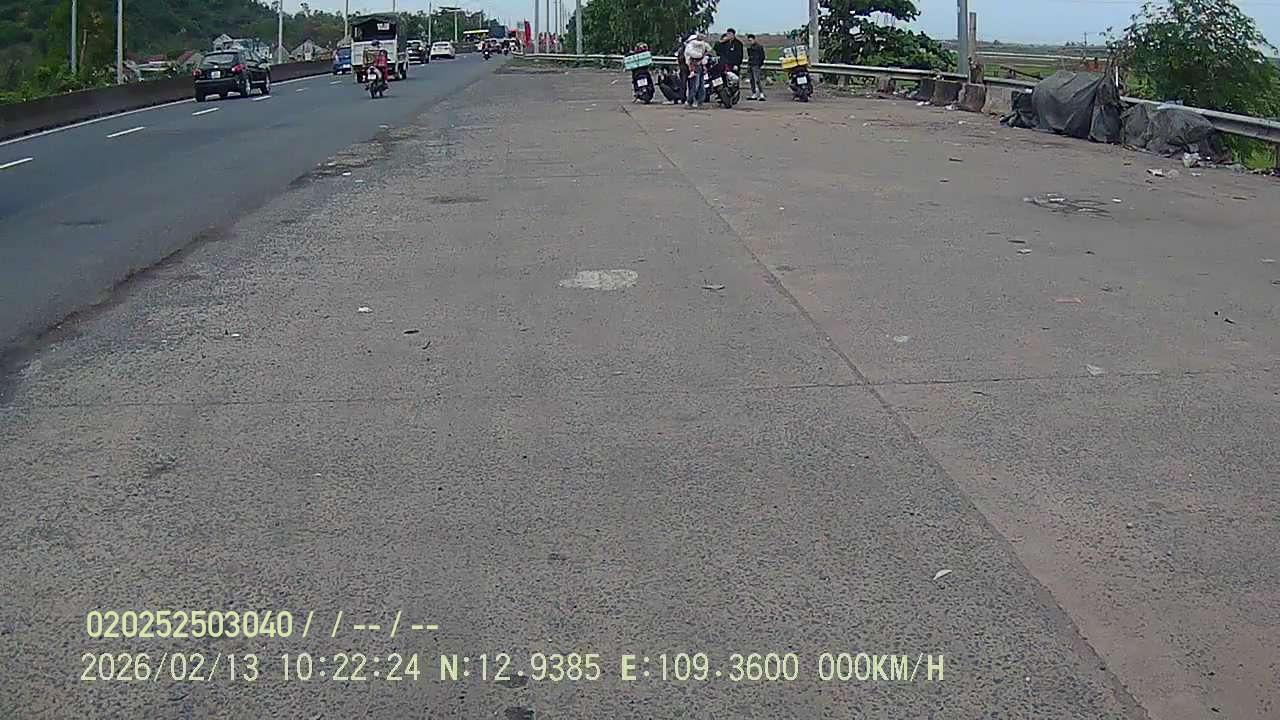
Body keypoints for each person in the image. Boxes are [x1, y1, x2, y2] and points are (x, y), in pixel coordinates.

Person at [683, 33, 713, 108]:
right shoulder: (690, 46)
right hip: (694, 66)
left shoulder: (703, 45)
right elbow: (692, 54)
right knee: (695, 85)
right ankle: (690, 101)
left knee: (701, 85)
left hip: (701, 66)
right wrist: (701, 55)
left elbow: (709, 51)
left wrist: (704, 58)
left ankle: (699, 102)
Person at [746, 33, 767, 101]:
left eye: (751, 40)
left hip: (756, 65)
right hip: (750, 64)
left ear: (754, 39)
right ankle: (754, 93)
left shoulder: (759, 47)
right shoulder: (749, 48)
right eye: (749, 41)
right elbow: (749, 56)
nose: (750, 42)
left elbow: (762, 56)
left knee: (757, 80)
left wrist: (759, 64)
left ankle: (761, 93)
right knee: (751, 80)